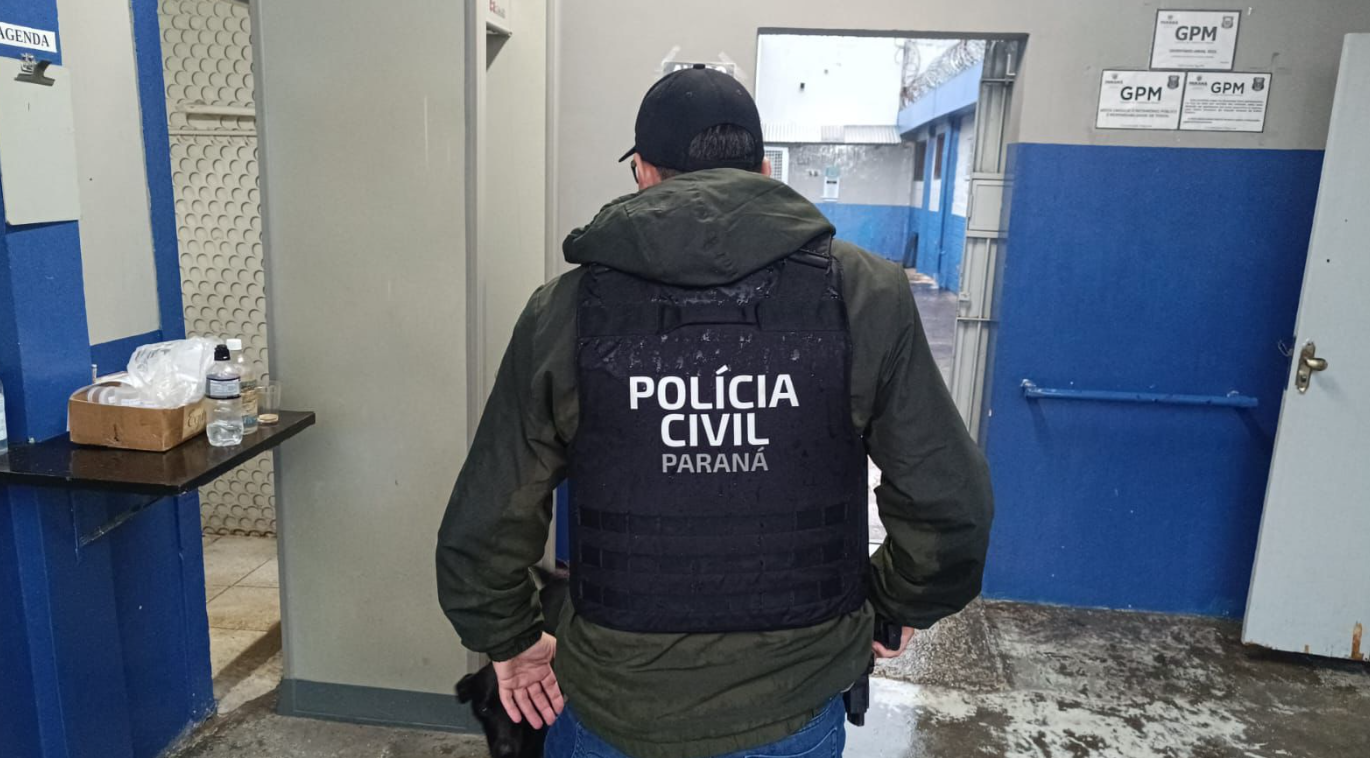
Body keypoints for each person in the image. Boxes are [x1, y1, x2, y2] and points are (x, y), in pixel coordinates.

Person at [436, 64, 993, 758]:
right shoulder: (865, 294)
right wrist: (896, 602)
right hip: (794, 700)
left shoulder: (564, 310)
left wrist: (511, 640)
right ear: (764, 170)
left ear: (643, 173)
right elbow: (950, 502)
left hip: (614, 700)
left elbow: (485, 520)